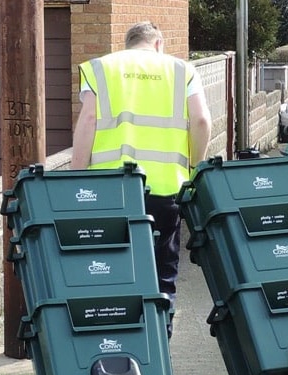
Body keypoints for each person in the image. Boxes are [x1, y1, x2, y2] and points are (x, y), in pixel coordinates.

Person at [71, 21, 212, 337]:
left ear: (127, 44)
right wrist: (194, 171)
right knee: (162, 270)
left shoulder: (102, 68)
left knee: (111, 268)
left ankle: (114, 342)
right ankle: (159, 341)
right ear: (159, 44)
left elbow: (88, 121)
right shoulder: (181, 70)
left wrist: (77, 181)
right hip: (165, 189)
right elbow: (202, 120)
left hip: (109, 191)